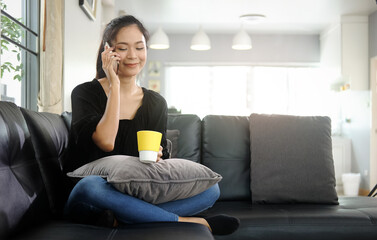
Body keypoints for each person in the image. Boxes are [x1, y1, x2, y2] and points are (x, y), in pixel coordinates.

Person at [63, 15, 239, 236]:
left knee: (211, 189)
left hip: (132, 194)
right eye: (123, 48)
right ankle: (185, 220)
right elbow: (106, 142)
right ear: (108, 51)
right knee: (91, 185)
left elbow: (151, 170)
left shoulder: (155, 103)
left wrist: (157, 156)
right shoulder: (85, 92)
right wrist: (115, 85)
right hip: (91, 195)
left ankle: (125, 218)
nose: (133, 56)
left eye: (139, 47)